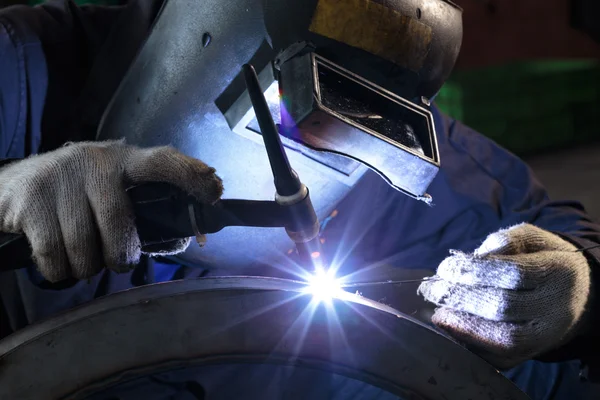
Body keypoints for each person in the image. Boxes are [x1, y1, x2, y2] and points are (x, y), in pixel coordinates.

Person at [0, 0, 599, 398]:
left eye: (357, 123)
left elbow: (567, 269)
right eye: (291, 109)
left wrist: (578, 291)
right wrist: (8, 189)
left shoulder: (426, 169)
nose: (320, 151)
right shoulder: (21, 69)